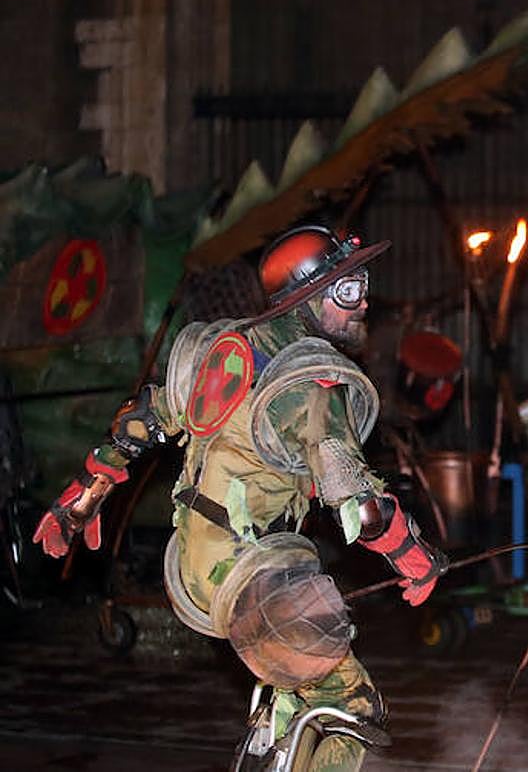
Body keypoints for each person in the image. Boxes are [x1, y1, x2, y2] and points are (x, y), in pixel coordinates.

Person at [34, 225, 446, 772]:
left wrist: (79, 502)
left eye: (363, 284)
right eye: (347, 290)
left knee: (293, 690)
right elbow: (361, 506)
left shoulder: (224, 348)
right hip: (250, 568)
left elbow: (141, 422)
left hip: (197, 558)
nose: (363, 301)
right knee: (353, 705)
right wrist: (413, 556)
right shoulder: (311, 385)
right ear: (306, 294)